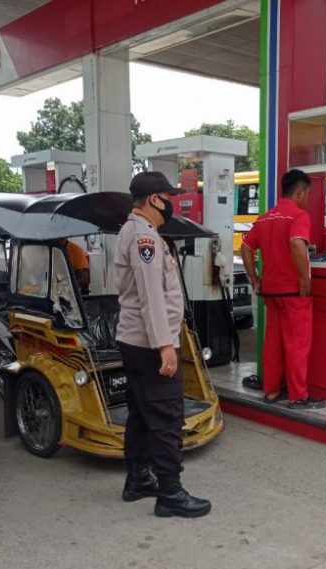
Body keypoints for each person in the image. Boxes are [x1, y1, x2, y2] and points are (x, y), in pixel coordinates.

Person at [115, 171, 211, 519]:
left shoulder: (136, 232)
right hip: (150, 344)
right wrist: (165, 345)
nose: (171, 203)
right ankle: (170, 493)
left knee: (142, 414)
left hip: (135, 342)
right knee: (167, 417)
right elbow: (151, 297)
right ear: (154, 199)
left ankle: (139, 478)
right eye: (167, 197)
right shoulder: (145, 238)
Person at [241, 169, 326, 410]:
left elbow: (247, 248)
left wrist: (255, 278)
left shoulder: (265, 218)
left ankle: (271, 391)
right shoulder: (298, 216)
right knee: (297, 344)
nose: (308, 198)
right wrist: (304, 279)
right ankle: (299, 396)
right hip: (293, 293)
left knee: (274, 343)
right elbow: (297, 243)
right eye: (307, 193)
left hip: (271, 292)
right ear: (299, 192)